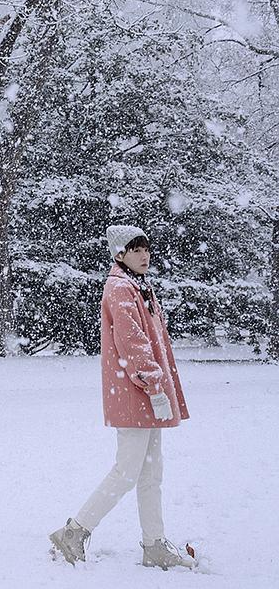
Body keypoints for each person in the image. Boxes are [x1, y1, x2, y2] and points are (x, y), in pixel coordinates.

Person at [49, 225, 193, 570]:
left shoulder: (139, 286)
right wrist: (155, 385)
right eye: (135, 249)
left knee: (151, 473)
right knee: (127, 472)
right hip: (135, 393)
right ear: (120, 255)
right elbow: (133, 345)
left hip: (143, 393)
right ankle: (74, 532)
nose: (144, 255)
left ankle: (154, 544)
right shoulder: (120, 288)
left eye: (146, 248)